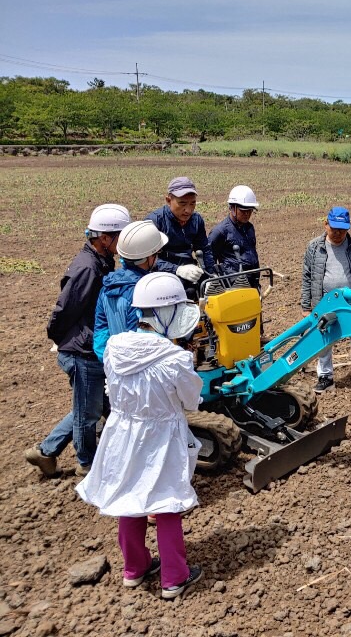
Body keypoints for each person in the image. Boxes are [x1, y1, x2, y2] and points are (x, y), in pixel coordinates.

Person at [76, 272, 203, 600]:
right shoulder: (175, 359)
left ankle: (135, 568)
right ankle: (175, 576)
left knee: (129, 498)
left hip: (122, 433)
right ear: (166, 314)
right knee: (166, 502)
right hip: (162, 436)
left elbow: (113, 391)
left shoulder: (115, 348)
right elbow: (192, 400)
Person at [25, 204, 131, 478]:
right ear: (105, 238)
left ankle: (45, 452)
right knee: (88, 414)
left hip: (87, 346)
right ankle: (87, 464)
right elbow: (64, 309)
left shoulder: (102, 261)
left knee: (89, 406)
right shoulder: (88, 268)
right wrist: (61, 339)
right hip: (82, 351)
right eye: (121, 235)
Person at [302, 207, 351, 397]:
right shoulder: (314, 247)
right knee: (324, 340)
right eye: (335, 229)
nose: (339, 233)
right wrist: (306, 306)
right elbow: (307, 277)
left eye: (343, 229)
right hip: (325, 301)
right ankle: (325, 377)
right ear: (326, 224)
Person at [93, 221, 169, 361]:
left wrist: (111, 363)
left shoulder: (107, 287)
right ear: (149, 257)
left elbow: (101, 333)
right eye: (157, 253)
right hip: (140, 367)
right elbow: (140, 338)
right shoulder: (144, 292)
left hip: (116, 366)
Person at [147, 177, 215, 288]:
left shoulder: (196, 220)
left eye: (192, 203)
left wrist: (211, 277)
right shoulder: (155, 222)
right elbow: (146, 260)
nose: (188, 210)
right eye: (182, 203)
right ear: (168, 200)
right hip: (162, 278)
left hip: (190, 274)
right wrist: (177, 269)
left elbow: (204, 250)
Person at [209, 185, 261, 287]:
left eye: (250, 210)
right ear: (232, 208)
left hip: (253, 283)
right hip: (234, 286)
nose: (247, 214)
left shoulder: (249, 228)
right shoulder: (220, 232)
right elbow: (209, 260)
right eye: (243, 210)